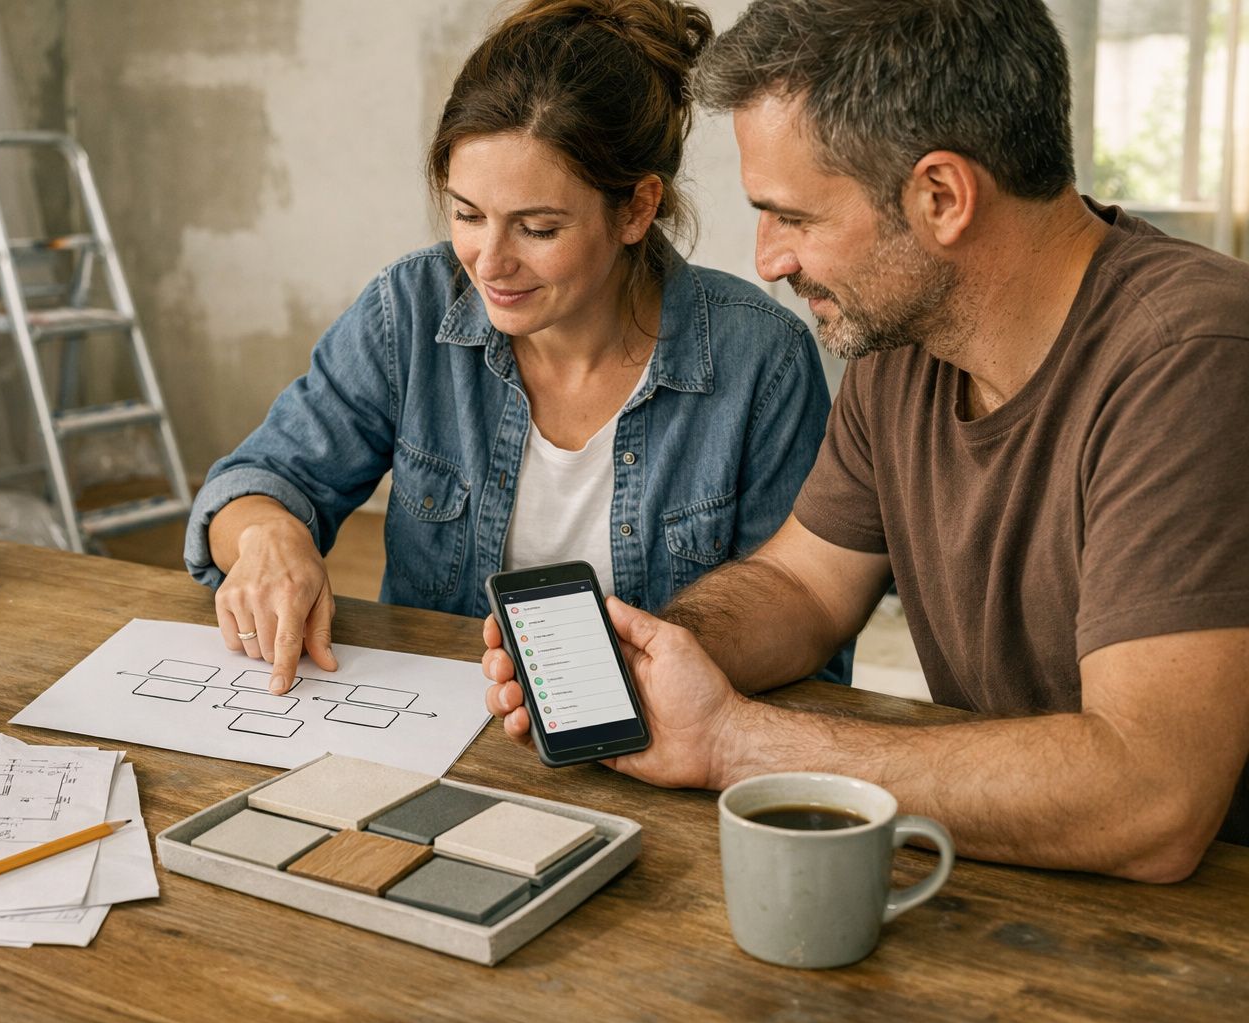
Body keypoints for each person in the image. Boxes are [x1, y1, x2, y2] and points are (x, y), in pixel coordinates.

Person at [483, 0, 1249, 882]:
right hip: (1004, 874)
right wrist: (651, 656)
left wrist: (736, 743)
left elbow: (1151, 797)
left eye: (794, 218)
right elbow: (804, 585)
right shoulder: (905, 345)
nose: (769, 260)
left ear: (941, 197)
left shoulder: (1191, 356)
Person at [186, 0, 838, 694]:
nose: (489, 264)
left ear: (637, 209)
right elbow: (255, 482)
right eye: (467, 215)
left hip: (656, 741)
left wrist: (628, 680)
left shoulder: (761, 361)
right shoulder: (411, 309)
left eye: (538, 228)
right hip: (427, 720)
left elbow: (802, 635)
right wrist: (267, 537)